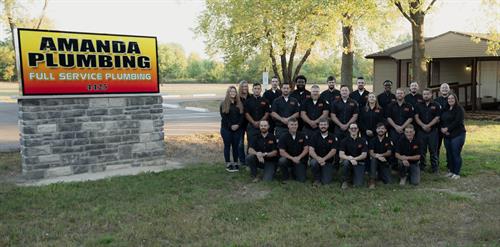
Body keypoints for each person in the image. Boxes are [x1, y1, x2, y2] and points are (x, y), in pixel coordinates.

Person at [414, 88, 441, 173]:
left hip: (433, 131)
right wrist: (423, 126)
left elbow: (437, 117)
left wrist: (428, 125)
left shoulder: (436, 105)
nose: (426, 95)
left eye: (427, 94)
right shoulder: (418, 105)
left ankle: (434, 168)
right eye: (424, 94)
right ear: (422, 95)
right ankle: (422, 167)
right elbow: (416, 117)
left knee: (433, 150)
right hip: (421, 131)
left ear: (431, 95)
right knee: (422, 150)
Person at [440, 93, 466, 179]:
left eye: (452, 99)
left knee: (455, 153)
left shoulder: (459, 109)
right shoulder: (445, 109)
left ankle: (456, 173)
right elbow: (441, 120)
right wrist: (442, 129)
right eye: (449, 99)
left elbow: (457, 122)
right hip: (447, 135)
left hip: (458, 134)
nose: (450, 100)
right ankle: (451, 171)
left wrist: (447, 129)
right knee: (449, 154)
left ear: (455, 99)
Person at [220, 86, 244, 172]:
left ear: (236, 93)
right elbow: (224, 117)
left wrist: (238, 125)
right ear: (228, 93)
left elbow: (242, 116)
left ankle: (235, 163)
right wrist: (231, 126)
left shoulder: (239, 103)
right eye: (231, 91)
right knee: (227, 146)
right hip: (226, 129)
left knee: (235, 147)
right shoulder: (223, 104)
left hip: (237, 129)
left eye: (234, 91)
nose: (233, 93)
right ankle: (228, 163)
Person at [278, 118, 309, 183]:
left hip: (300, 160)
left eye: (295, 124)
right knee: (282, 160)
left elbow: (306, 149)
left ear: (297, 125)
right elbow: (282, 152)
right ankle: (285, 177)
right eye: (292, 124)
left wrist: (299, 157)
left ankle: (293, 170)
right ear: (288, 125)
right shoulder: (283, 136)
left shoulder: (302, 135)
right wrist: (292, 158)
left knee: (301, 180)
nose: (294, 126)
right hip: (289, 159)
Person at [309, 118, 338, 186]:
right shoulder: (314, 136)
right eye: (321, 124)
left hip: (328, 162)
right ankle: (317, 179)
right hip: (316, 160)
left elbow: (333, 151)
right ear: (319, 126)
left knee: (326, 182)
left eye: (325, 124)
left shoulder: (333, 137)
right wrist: (318, 159)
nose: (323, 126)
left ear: (328, 126)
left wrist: (323, 159)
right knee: (313, 162)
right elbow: (311, 150)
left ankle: (324, 173)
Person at [339, 123, 368, 189]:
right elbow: (341, 154)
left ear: (358, 129)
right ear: (349, 130)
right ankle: (345, 181)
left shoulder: (363, 140)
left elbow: (364, 155)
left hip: (359, 163)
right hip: (349, 162)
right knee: (346, 162)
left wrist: (354, 159)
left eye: (355, 128)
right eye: (352, 128)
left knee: (358, 184)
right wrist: (350, 159)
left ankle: (353, 177)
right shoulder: (344, 141)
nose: (353, 130)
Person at [368, 123, 393, 188]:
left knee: (388, 181)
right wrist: (378, 157)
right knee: (373, 159)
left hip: (385, 161)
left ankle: (380, 175)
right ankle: (372, 180)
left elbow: (389, 152)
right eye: (379, 128)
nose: (380, 130)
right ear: (376, 130)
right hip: (375, 161)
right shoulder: (372, 140)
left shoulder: (389, 140)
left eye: (382, 128)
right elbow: (371, 153)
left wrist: (380, 155)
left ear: (385, 130)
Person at [434, 83, 450, 170]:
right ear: (440, 90)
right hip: (438, 128)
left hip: (448, 128)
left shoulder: (452, 99)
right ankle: (436, 164)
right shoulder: (436, 100)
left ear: (449, 89)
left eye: (446, 88)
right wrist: (439, 127)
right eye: (443, 88)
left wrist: (448, 128)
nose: (444, 89)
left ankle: (449, 164)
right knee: (437, 147)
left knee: (449, 148)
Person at [237, 80, 249, 166]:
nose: (245, 88)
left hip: (249, 123)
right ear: (240, 87)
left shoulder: (251, 96)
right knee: (240, 143)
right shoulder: (237, 98)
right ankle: (242, 161)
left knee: (250, 142)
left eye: (246, 86)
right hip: (240, 124)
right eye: (243, 86)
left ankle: (249, 160)